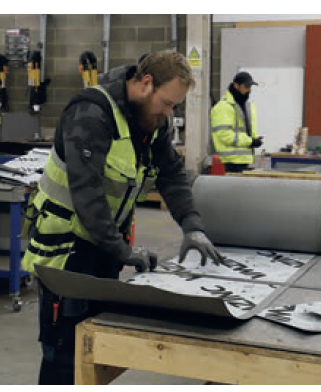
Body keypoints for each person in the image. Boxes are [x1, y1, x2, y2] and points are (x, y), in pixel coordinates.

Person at [23, 49, 224, 384]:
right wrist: (123, 250)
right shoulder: (90, 113)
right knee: (64, 352)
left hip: (103, 248)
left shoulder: (151, 122)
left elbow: (171, 175)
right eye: (166, 103)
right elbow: (87, 194)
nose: (169, 112)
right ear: (145, 83)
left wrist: (192, 226)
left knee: (93, 347)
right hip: (65, 253)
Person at [210, 71, 262, 173]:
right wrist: (250, 141)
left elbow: (247, 131)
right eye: (246, 86)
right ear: (236, 85)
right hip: (230, 162)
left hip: (245, 161)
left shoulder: (248, 106)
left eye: (250, 87)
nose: (249, 90)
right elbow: (225, 135)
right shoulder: (223, 107)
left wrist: (255, 140)